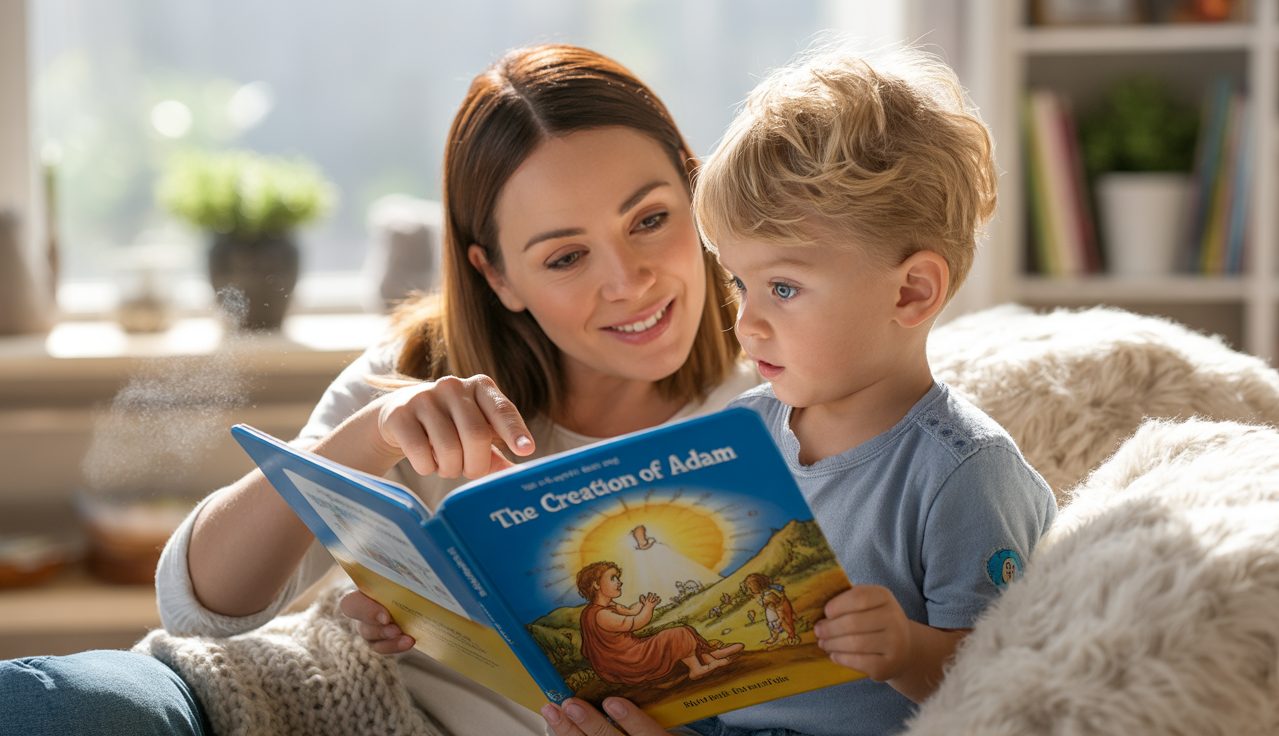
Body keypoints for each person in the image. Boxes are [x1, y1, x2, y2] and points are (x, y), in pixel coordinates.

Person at [0, 43, 757, 735]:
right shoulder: (421, 370)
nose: (629, 281)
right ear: (498, 276)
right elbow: (198, 608)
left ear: (698, 194)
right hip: (349, 705)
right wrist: (365, 437)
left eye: (651, 219)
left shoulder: (789, 380)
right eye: (565, 258)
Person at [543, 44, 1057, 736]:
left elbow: (1005, 675)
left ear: (911, 291)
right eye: (738, 283)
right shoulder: (743, 431)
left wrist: (907, 650)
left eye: (783, 288)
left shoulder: (964, 472)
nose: (745, 320)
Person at [575, 562, 743, 685]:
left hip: (632, 651)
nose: (619, 582)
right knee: (677, 634)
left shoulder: (608, 607)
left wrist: (641, 605)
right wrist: (648, 608)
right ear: (596, 584)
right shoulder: (602, 615)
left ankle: (710, 656)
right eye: (613, 578)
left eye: (618, 578)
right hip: (629, 660)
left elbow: (631, 611)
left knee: (685, 629)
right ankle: (696, 669)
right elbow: (634, 622)